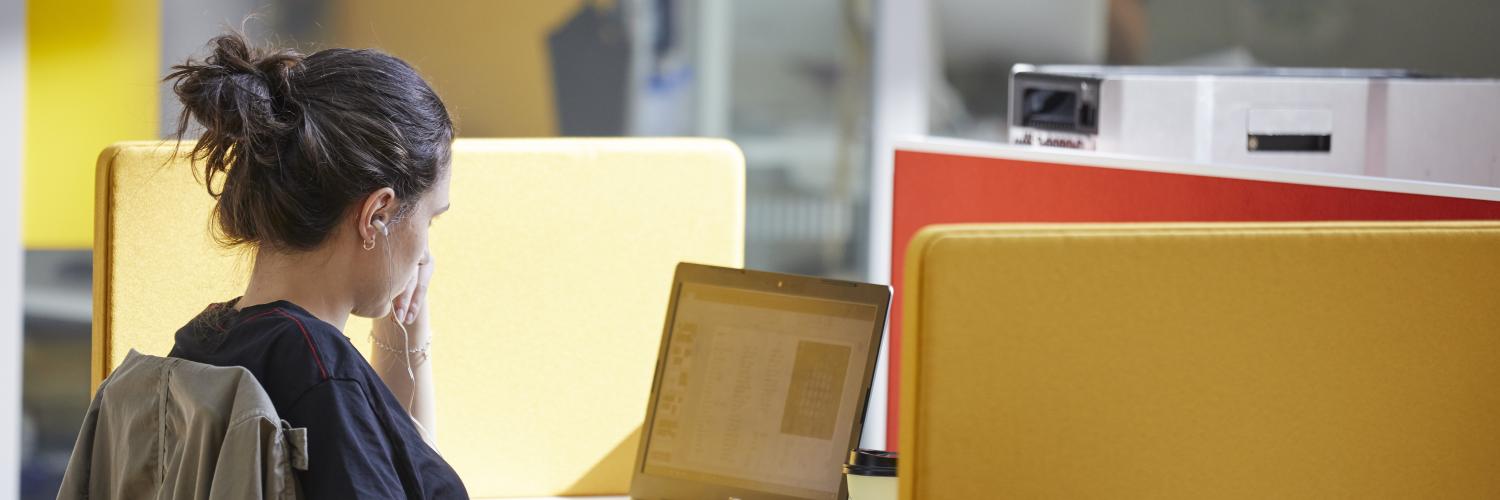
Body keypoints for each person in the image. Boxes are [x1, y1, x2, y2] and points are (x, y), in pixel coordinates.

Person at [163, 31, 467, 499]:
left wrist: (402, 319)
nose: (425, 250)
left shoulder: (200, 342)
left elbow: (399, 467)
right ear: (377, 214)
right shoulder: (322, 371)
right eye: (430, 219)